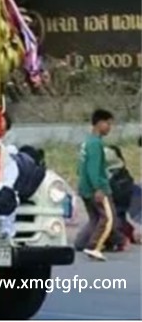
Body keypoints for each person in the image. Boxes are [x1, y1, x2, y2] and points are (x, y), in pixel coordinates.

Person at [75, 109, 116, 261]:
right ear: (99, 123)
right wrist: (98, 188)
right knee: (108, 219)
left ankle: (81, 243)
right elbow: (93, 168)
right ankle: (94, 246)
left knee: (94, 218)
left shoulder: (87, 142)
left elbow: (80, 168)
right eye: (108, 124)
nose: (109, 127)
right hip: (96, 188)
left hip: (84, 187)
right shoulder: (96, 144)